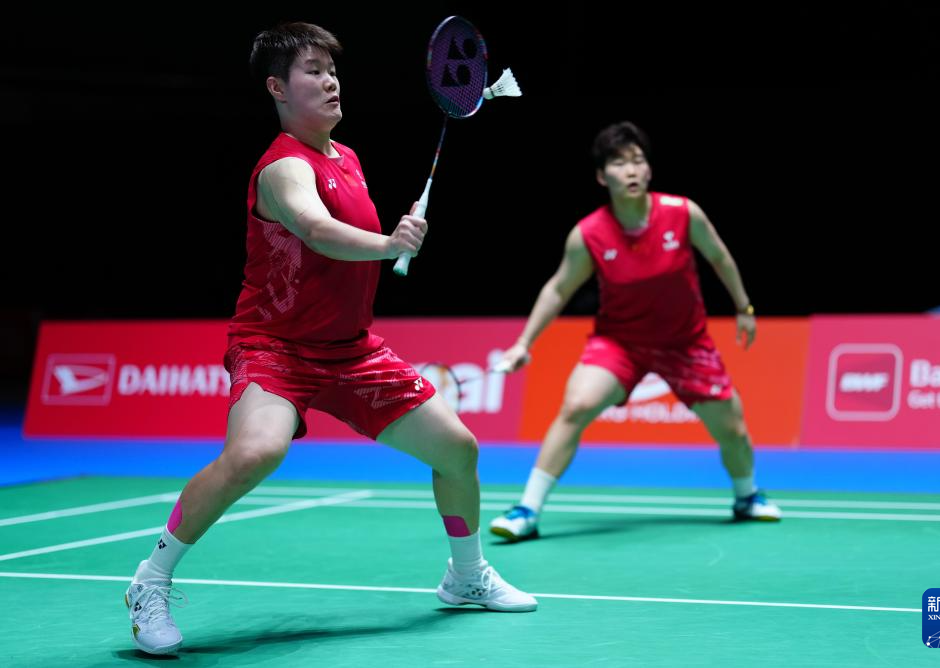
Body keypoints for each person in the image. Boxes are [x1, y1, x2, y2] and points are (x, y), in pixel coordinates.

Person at [124, 22, 536, 656]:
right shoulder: (282, 168)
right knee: (255, 452)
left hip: (351, 350)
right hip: (276, 347)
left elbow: (343, 243)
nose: (330, 81)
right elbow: (315, 230)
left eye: (333, 70)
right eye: (313, 71)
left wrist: (388, 241)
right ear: (277, 88)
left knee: (458, 450)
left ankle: (466, 576)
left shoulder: (347, 158)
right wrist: (390, 244)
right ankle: (150, 581)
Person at [489, 121, 781, 542]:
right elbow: (558, 289)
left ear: (649, 170)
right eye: (619, 163)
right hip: (620, 343)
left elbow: (719, 256)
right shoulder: (588, 234)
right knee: (576, 406)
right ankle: (527, 510)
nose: (631, 170)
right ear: (601, 176)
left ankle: (746, 496)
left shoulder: (682, 213)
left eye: (638, 161)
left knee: (732, 428)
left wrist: (744, 307)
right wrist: (523, 343)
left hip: (685, 342)